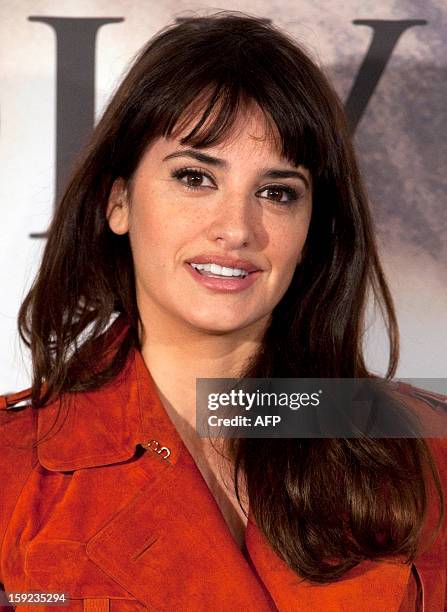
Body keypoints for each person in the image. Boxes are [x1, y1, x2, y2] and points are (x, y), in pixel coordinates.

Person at [0, 11, 446, 611]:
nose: (236, 229)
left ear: (313, 227)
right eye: (195, 177)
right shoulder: (12, 472)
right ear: (119, 201)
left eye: (277, 192)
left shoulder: (426, 449)